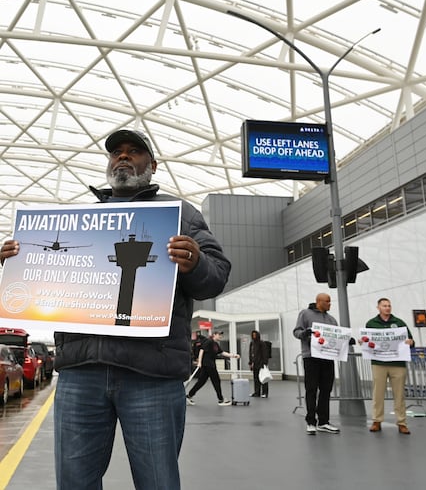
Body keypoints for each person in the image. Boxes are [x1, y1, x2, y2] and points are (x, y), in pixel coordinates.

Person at [0, 129, 231, 490]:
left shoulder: (181, 215)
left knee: (158, 482)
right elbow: (51, 281)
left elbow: (216, 277)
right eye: (116, 153)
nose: (123, 157)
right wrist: (17, 263)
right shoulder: (80, 222)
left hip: (150, 375)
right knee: (74, 482)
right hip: (81, 373)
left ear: (152, 166)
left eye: (134, 152)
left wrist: (196, 262)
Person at [364, 297, 414, 435]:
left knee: (399, 394)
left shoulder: (399, 323)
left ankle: (402, 422)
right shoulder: (371, 323)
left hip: (397, 363)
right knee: (378, 393)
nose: (387, 308)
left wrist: (411, 342)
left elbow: (410, 339)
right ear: (378, 307)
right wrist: (363, 342)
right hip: (379, 363)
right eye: (384, 305)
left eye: (389, 305)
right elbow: (367, 340)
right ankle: (377, 420)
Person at [293, 293, 341, 435]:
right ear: (319, 302)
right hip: (311, 357)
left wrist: (345, 341)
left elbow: (337, 336)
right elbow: (296, 331)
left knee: (326, 390)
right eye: (327, 301)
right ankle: (311, 422)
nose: (330, 304)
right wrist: (304, 334)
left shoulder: (332, 319)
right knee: (311, 389)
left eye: (330, 301)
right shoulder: (305, 314)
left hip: (327, 357)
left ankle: (324, 422)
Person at [186, 329, 238, 405]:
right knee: (216, 381)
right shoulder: (209, 341)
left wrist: (233, 355)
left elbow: (222, 352)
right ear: (214, 334)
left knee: (201, 382)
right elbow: (201, 350)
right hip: (208, 365)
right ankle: (221, 400)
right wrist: (199, 362)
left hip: (209, 365)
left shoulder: (216, 344)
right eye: (219, 334)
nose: (220, 336)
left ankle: (189, 395)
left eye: (221, 335)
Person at [248, 330, 270, 398]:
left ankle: (264, 393)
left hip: (261, 363)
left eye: (255, 335)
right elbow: (250, 353)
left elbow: (264, 353)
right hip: (255, 364)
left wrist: (265, 363)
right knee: (256, 379)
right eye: (253, 335)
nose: (254, 336)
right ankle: (257, 392)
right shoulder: (252, 343)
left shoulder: (261, 343)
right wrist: (250, 362)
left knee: (263, 378)